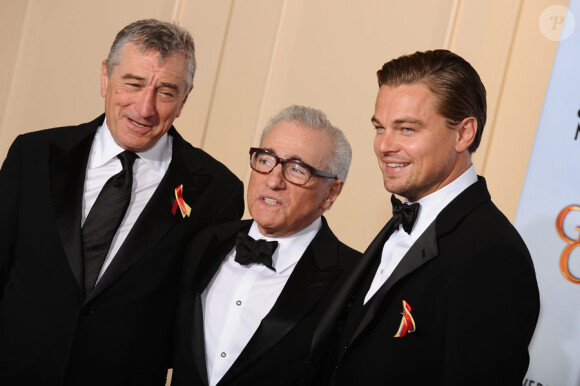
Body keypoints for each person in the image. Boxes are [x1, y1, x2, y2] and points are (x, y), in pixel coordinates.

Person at [0, 19, 244, 386]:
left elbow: (195, 318)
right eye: (133, 84)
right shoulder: (32, 155)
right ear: (105, 77)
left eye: (165, 92)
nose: (145, 109)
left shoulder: (216, 191)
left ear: (185, 99)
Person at [330, 50, 540, 385]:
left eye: (407, 129)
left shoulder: (493, 257)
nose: (384, 145)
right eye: (380, 127)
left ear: (463, 134)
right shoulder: (403, 221)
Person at [171, 105, 361, 386]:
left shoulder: (355, 280)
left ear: (331, 192)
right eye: (266, 159)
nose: (273, 180)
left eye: (297, 169)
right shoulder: (203, 242)